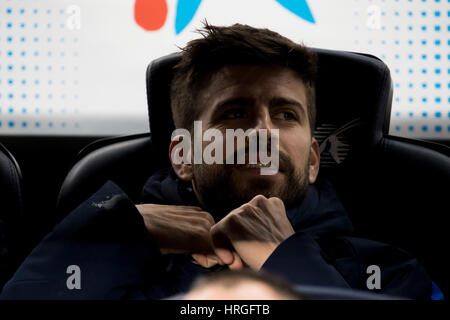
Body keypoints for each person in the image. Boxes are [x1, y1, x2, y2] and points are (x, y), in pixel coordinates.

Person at [0, 23, 440, 300]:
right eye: (235, 113)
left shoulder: (388, 273)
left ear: (312, 161)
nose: (263, 132)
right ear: (184, 157)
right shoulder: (112, 260)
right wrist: (116, 230)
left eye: (285, 114)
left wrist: (286, 258)